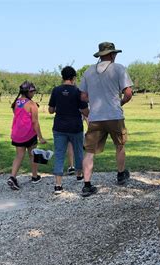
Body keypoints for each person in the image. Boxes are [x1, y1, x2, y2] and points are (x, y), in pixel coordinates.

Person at [79, 42, 133, 197]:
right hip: (114, 115)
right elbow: (128, 93)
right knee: (119, 145)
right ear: (112, 54)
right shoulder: (118, 68)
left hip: (96, 117)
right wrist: (120, 102)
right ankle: (121, 174)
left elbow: (82, 95)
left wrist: (95, 99)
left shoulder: (89, 71)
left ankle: (87, 185)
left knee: (89, 151)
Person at [48, 66, 89, 194]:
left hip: (59, 127)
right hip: (75, 126)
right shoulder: (77, 91)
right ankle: (78, 175)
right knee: (78, 151)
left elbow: (51, 110)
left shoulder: (56, 90)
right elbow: (84, 110)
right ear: (73, 78)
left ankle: (58, 185)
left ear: (63, 77)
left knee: (59, 154)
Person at [7, 81, 46, 190]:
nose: (34, 93)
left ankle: (12, 177)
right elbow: (35, 122)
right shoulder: (32, 104)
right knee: (33, 154)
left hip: (17, 134)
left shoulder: (16, 103)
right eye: (32, 91)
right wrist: (40, 137)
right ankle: (35, 176)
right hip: (29, 134)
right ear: (28, 92)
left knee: (19, 156)